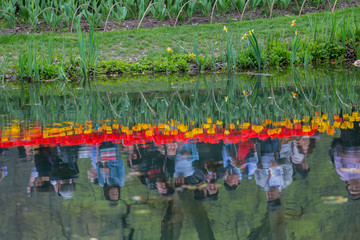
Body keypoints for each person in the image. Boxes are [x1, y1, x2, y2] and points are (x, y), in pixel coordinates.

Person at [330, 119, 360, 200]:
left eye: (352, 189)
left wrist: (348, 157)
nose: (355, 187)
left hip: (348, 142)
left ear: (348, 186)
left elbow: (337, 153)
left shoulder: (342, 172)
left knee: (347, 118)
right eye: (357, 189)